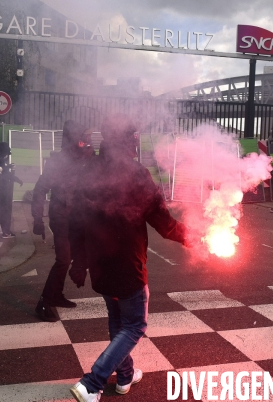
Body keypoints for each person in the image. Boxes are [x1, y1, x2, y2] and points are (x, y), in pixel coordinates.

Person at [68, 114, 189, 401]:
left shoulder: (89, 170)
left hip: (100, 262)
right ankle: (92, 382)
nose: (136, 141)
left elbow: (77, 220)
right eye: (133, 136)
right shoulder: (135, 173)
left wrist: (79, 262)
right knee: (135, 325)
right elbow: (161, 219)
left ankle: (125, 376)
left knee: (117, 320)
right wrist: (192, 237)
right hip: (127, 262)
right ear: (126, 139)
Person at [32, 120, 94, 322]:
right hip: (61, 217)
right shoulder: (57, 161)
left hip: (78, 218)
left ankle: (56, 294)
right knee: (63, 260)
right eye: (83, 137)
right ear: (73, 138)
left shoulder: (86, 158)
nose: (87, 140)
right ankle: (44, 302)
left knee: (76, 257)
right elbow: (41, 189)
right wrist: (37, 218)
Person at [0, 142, 23, 238]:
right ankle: (6, 232)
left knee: (0, 211)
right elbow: (5, 174)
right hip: (1, 191)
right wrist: (17, 179)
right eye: (6, 154)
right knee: (4, 211)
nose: (7, 156)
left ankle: (5, 231)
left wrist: (8, 167)